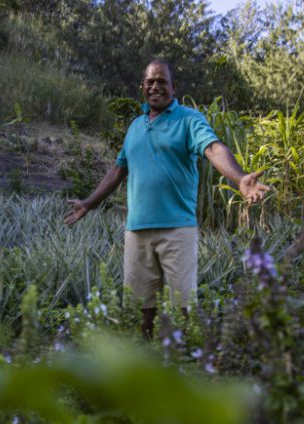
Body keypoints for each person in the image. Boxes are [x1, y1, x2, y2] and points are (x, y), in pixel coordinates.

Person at [64, 59, 270, 337]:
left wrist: (239, 178)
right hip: (137, 230)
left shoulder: (188, 119)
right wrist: (89, 202)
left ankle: (189, 360)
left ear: (174, 87)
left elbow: (212, 149)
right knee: (140, 307)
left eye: (162, 81)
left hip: (177, 229)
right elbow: (118, 169)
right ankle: (145, 358)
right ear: (142, 87)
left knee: (183, 306)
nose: (155, 87)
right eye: (150, 82)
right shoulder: (135, 126)